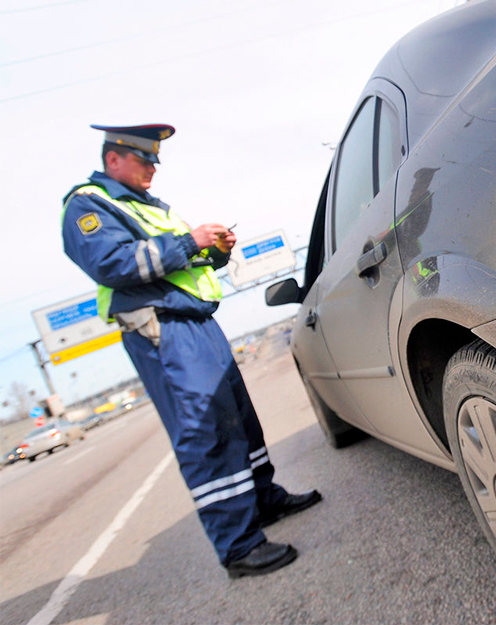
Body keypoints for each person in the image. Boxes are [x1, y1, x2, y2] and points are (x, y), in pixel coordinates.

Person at [61, 123, 321, 578]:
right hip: (163, 329)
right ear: (113, 160)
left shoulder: (146, 208)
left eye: (155, 162)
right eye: (144, 161)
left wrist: (216, 252)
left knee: (239, 419)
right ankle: (238, 546)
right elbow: (112, 264)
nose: (152, 170)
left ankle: (264, 500)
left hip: (197, 323)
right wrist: (189, 241)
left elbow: (187, 262)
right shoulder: (89, 205)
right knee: (206, 433)